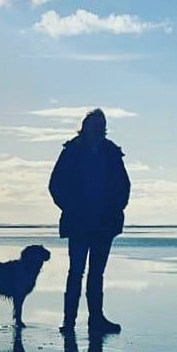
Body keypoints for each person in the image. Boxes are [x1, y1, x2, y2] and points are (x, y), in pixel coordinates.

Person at [48, 108, 130, 334]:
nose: (97, 129)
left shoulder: (111, 152)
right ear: (84, 127)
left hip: (104, 223)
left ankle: (96, 320)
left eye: (100, 126)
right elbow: (55, 185)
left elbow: (124, 186)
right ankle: (69, 321)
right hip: (79, 222)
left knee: (96, 273)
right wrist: (73, 208)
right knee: (76, 272)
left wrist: (115, 210)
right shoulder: (72, 151)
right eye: (93, 125)